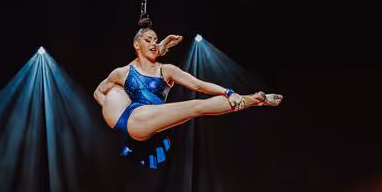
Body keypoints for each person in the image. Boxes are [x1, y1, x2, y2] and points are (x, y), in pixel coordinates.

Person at [94, 16, 283, 169]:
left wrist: (229, 92)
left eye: (156, 40)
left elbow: (198, 85)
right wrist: (112, 111)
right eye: (148, 40)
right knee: (196, 107)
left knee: (197, 106)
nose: (154, 43)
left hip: (145, 120)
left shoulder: (166, 70)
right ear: (137, 45)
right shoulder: (123, 72)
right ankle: (256, 100)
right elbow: (98, 92)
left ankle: (256, 99)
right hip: (126, 117)